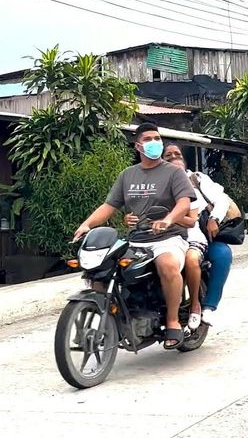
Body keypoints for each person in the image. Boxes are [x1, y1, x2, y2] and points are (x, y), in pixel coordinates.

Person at [73, 123, 195, 350]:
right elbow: (109, 206)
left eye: (157, 138)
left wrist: (169, 219)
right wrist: (86, 224)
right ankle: (112, 318)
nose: (154, 143)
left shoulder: (174, 172)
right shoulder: (127, 175)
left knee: (167, 265)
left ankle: (172, 321)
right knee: (101, 270)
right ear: (138, 146)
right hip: (135, 240)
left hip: (168, 238)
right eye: (148, 139)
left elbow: (184, 203)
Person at [161, 144, 233, 326]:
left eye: (177, 154)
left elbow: (221, 200)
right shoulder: (156, 183)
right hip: (164, 238)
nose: (174, 157)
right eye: (168, 155)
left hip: (197, 235)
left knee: (221, 254)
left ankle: (205, 306)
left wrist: (214, 218)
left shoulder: (196, 179)